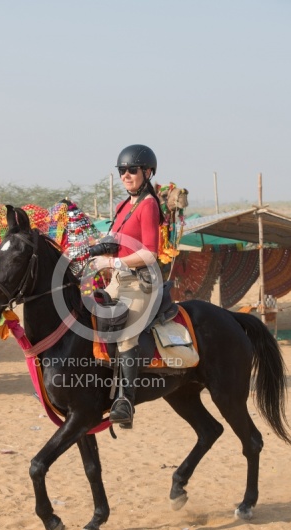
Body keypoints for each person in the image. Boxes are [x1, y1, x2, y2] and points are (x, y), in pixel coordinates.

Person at [91, 144, 164, 428]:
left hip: (141, 283)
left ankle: (125, 402)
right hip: (116, 282)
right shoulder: (123, 205)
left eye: (132, 170)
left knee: (127, 336)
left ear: (147, 172)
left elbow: (149, 253)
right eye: (122, 171)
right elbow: (114, 242)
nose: (126, 175)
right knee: (87, 315)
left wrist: (113, 264)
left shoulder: (148, 205)